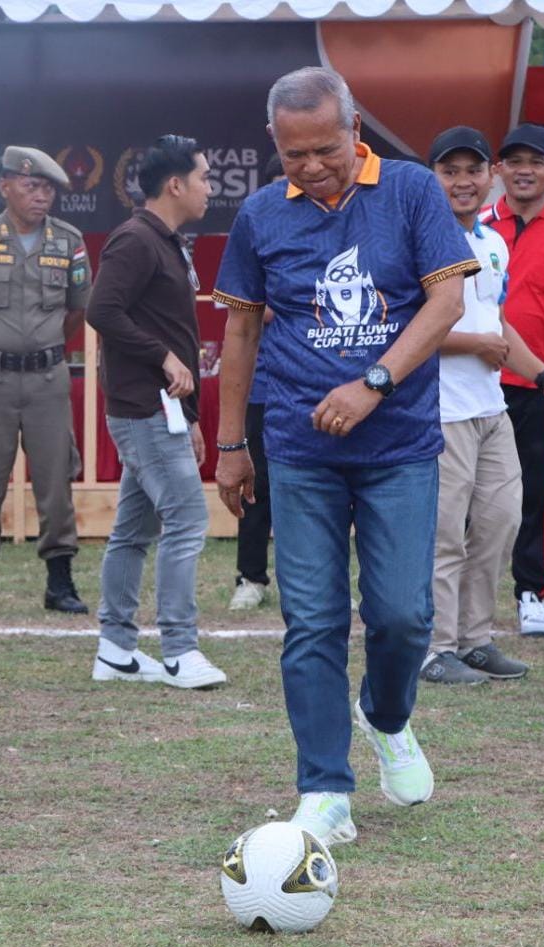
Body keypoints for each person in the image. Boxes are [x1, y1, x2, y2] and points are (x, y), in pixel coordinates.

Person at [214, 67, 477, 846]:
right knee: (312, 621)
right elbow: (239, 332)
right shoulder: (260, 215)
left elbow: (446, 301)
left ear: (353, 128)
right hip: (298, 449)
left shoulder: (407, 192)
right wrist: (230, 445)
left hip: (397, 445)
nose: (312, 167)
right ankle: (323, 787)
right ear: (275, 144)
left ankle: (386, 715)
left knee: (401, 615)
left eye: (325, 149)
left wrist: (373, 382)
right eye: (294, 155)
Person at [426, 126, 544, 684]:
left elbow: (500, 321)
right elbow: (407, 331)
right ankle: (435, 648)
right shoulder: (421, 238)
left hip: (492, 409)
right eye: (449, 171)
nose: (462, 182)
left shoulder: (492, 242)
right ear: (432, 178)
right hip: (441, 410)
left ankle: (475, 640)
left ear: (491, 178)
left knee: (499, 523)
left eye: (472, 171)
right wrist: (474, 346)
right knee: (443, 534)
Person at [87, 135, 227, 690]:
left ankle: (116, 650)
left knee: (132, 530)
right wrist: (163, 357)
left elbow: (170, 329)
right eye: (204, 178)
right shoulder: (136, 240)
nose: (209, 188)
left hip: (161, 409)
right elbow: (101, 310)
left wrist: (189, 414)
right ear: (175, 185)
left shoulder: (165, 240)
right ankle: (179, 649)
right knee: (188, 519)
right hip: (142, 408)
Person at [0, 145, 91, 616]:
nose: (41, 196)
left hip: (48, 380)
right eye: (31, 186)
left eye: (48, 188)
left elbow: (77, 310)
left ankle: (60, 583)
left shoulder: (69, 241)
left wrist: (44, 345)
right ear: (5, 187)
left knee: (56, 482)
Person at [478, 123, 544, 638]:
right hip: (476, 382)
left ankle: (535, 594)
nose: (523, 171)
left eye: (535, 161)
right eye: (513, 161)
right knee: (468, 497)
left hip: (541, 385)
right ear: (498, 171)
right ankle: (465, 601)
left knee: (536, 494)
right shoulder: (476, 228)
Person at [230, 154, 284, 611]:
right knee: (256, 487)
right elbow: (251, 309)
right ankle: (250, 578)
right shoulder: (258, 229)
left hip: (321, 388)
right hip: (265, 387)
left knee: (326, 493)